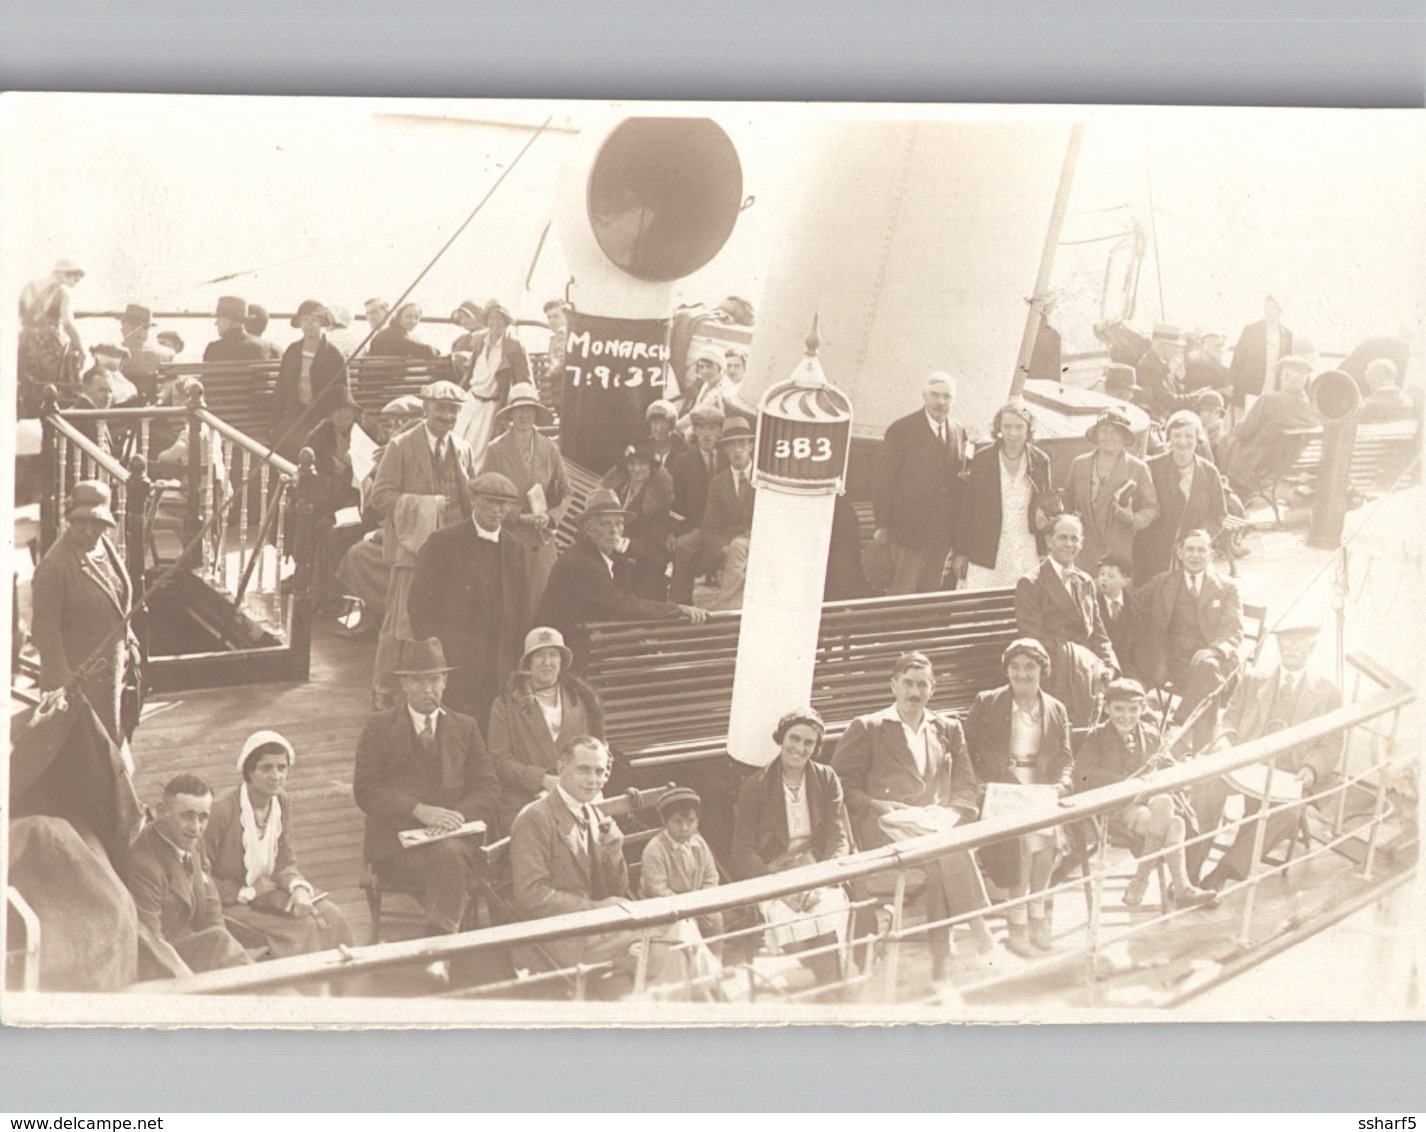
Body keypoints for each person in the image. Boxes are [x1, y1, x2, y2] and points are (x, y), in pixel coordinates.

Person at [831, 653, 996, 977]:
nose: (914, 692)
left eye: (922, 684)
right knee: (947, 849)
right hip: (884, 827)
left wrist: (951, 812)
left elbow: (967, 786)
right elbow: (837, 787)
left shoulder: (947, 728)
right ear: (893, 685)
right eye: (907, 683)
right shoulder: (869, 727)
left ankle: (941, 964)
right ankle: (977, 928)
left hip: (932, 826)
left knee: (938, 864)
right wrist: (878, 805)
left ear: (932, 689)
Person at [352, 637, 499, 938]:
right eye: (417, 681)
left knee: (449, 855)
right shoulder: (379, 727)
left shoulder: (466, 727)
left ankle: (439, 940)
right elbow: (366, 790)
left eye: (434, 679)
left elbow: (488, 787)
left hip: (452, 839)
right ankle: (445, 941)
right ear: (403, 684)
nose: (427, 689)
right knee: (450, 865)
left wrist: (453, 817)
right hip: (398, 845)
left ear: (446, 681)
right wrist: (419, 811)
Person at [509, 736, 680, 980]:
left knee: (673, 938)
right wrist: (597, 909)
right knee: (672, 934)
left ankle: (672, 996)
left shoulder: (592, 813)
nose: (593, 780)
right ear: (561, 768)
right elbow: (531, 896)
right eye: (583, 770)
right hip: (556, 939)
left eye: (600, 771)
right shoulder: (535, 817)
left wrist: (614, 853)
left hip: (596, 930)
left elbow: (615, 890)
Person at [1196, 624, 1344, 891]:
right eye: (1286, 642)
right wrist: (1224, 742)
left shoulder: (1328, 692)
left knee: (1288, 815)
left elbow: (1331, 743)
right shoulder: (1253, 678)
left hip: (1288, 774)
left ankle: (1221, 874)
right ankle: (1190, 871)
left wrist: (1311, 768)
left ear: (1312, 646)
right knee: (1206, 787)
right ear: (1278, 645)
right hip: (1243, 764)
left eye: (1299, 642)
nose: (1291, 648)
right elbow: (1227, 721)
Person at [367, 380, 477, 710]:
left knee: (443, 620)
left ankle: (433, 691)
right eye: (441, 409)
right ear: (426, 409)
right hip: (412, 551)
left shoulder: (463, 448)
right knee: (400, 623)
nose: (447, 416)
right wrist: (425, 505)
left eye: (453, 411)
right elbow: (380, 497)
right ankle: (385, 690)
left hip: (451, 552)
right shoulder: (401, 447)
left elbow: (468, 498)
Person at [963, 638, 1074, 957]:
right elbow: (966, 749)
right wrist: (981, 783)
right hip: (1000, 787)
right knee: (1025, 841)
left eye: (1029, 666)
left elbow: (1065, 755)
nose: (1022, 673)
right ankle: (1017, 920)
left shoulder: (1056, 708)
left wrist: (1063, 783)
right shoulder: (988, 701)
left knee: (1047, 843)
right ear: (1007, 669)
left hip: (1039, 786)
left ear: (1042, 669)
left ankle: (1036, 913)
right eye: (1015, 666)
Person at [204, 731, 353, 957]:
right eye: (266, 768)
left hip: (270, 896)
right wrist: (248, 891)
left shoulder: (281, 800)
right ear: (249, 772)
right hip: (230, 904)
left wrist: (299, 888)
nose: (276, 776)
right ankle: (303, 987)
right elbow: (199, 877)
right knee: (304, 927)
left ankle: (341, 985)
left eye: (281, 768)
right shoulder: (221, 810)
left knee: (332, 915)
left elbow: (285, 861)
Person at [734, 708, 856, 984]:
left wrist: (820, 881)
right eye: (794, 738)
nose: (800, 748)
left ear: (816, 747)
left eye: (808, 742)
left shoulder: (826, 779)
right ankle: (815, 991)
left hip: (819, 871)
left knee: (826, 912)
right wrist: (779, 888)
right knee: (790, 917)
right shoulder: (756, 785)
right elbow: (742, 849)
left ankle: (830, 992)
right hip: (775, 876)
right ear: (781, 738)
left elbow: (839, 838)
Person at [1073, 680, 1215, 908]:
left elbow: (1171, 770)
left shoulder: (1150, 736)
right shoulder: (1096, 738)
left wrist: (1172, 765)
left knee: (1172, 814)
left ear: (1142, 710)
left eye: (1133, 709)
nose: (1126, 716)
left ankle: (1148, 881)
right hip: (1115, 810)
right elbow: (1083, 775)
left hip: (1150, 811)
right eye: (1119, 709)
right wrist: (1131, 784)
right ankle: (1178, 886)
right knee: (1173, 820)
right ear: (1107, 708)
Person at [407, 472, 532, 728]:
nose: (496, 510)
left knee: (492, 727)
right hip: (455, 660)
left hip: (498, 662)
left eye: (503, 504)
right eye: (489, 502)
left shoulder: (515, 548)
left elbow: (522, 610)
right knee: (455, 728)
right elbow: (420, 604)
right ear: (473, 499)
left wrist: (517, 662)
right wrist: (436, 657)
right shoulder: (444, 542)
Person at [535, 488, 708, 671]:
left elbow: (629, 595)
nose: (614, 531)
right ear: (588, 528)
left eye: (619, 524)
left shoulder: (605, 556)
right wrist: (676, 608)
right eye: (605, 524)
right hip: (561, 653)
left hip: (587, 642)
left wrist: (624, 558)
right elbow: (623, 605)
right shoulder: (582, 563)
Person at [31, 481, 138, 746]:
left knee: (109, 742)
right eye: (80, 522)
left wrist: (130, 638)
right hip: (76, 685)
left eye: (97, 522)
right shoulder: (53, 567)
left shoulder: (105, 548)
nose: (89, 530)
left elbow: (117, 598)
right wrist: (62, 686)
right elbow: (45, 634)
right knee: (80, 754)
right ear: (69, 518)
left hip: (110, 677)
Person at [123, 774, 252, 975]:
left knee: (227, 942)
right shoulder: (143, 863)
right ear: (162, 812)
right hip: (162, 961)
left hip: (194, 946)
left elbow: (211, 907)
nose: (196, 827)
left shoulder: (190, 840)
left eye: (203, 817)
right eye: (188, 816)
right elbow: (150, 940)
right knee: (221, 942)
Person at [1130, 528, 1244, 752]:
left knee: (1208, 671)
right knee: (1207, 687)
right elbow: (1131, 601)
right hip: (1175, 664)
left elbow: (1234, 629)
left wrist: (1214, 650)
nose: (1195, 555)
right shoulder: (1163, 581)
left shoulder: (1227, 587)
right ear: (1179, 552)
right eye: (1190, 549)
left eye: (1201, 550)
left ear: (1210, 554)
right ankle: (1201, 752)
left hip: (1219, 662)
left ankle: (1178, 726)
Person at [488, 627, 606, 833]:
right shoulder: (506, 704)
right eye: (539, 655)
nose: (547, 662)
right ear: (528, 663)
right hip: (525, 801)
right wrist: (542, 779)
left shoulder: (580, 700)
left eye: (553, 655)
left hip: (577, 796)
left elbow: (602, 751)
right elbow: (499, 761)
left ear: (562, 662)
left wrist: (592, 781)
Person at [1014, 513, 1118, 726]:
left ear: (1081, 543)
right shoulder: (1031, 583)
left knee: (1122, 693)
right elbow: (1033, 639)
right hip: (1053, 669)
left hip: (1086, 668)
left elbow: (1099, 633)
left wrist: (1110, 665)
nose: (1069, 544)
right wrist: (1080, 658)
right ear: (1049, 541)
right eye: (1062, 538)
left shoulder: (1086, 581)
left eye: (1074, 538)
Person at [872, 372, 970, 594]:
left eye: (947, 396)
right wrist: (882, 526)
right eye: (935, 395)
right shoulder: (902, 430)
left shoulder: (958, 430)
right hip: (907, 533)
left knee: (929, 595)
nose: (940, 402)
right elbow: (883, 481)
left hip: (940, 535)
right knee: (901, 593)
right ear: (923, 396)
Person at [479, 382, 570, 608]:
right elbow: (485, 494)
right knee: (511, 602)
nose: (524, 415)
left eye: (529, 409)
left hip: (542, 540)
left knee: (542, 602)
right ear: (510, 413)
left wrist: (551, 517)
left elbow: (567, 492)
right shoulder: (496, 449)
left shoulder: (549, 448)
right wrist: (518, 517)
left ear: (537, 413)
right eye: (519, 410)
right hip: (510, 538)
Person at [953, 400, 1054, 590]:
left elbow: (1045, 509)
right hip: (985, 547)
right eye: (1007, 426)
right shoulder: (983, 459)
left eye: (1019, 426)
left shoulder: (1041, 461)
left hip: (1025, 548)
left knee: (1021, 602)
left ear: (1028, 429)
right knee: (979, 605)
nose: (1013, 433)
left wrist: (1044, 550)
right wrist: (960, 552)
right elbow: (967, 509)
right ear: (999, 427)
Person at [670, 417, 756, 609]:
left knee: (737, 548)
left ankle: (726, 607)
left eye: (742, 444)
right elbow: (710, 524)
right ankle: (679, 604)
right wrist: (720, 547)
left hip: (754, 537)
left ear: (750, 446)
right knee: (685, 545)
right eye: (731, 446)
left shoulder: (763, 479)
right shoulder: (718, 482)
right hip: (724, 538)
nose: (737, 450)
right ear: (724, 449)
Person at [1061, 407, 1159, 575]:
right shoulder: (1079, 464)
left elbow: (1152, 508)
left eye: (1115, 432)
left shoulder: (1138, 468)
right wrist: (1070, 521)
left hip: (1117, 551)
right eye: (1104, 431)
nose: (1109, 437)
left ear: (1124, 436)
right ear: (1096, 435)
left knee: (1114, 598)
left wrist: (1132, 519)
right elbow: (1067, 500)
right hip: (1082, 552)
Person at [1136, 409, 1227, 583]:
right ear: (1168, 438)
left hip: (1192, 556)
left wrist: (1196, 538)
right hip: (1154, 555)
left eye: (1189, 436)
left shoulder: (1208, 472)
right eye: (1176, 436)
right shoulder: (1151, 468)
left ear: (1198, 439)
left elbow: (1218, 515)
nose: (1182, 442)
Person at [1221, 355, 1320, 497]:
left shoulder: (1269, 400)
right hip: (1279, 465)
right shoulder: (1308, 407)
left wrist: (1235, 428)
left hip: (1257, 462)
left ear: (1284, 376)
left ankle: (1225, 490)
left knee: (1226, 440)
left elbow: (1244, 432)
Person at [304, 388, 366, 615]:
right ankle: (317, 589)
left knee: (332, 531)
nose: (342, 414)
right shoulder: (320, 435)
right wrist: (334, 473)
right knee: (318, 525)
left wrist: (351, 468)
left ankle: (332, 595)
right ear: (329, 414)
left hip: (360, 503)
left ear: (354, 410)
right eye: (336, 410)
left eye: (346, 408)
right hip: (329, 499)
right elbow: (312, 472)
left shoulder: (368, 432)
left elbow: (376, 470)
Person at [641, 786, 725, 951]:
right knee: (685, 927)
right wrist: (692, 912)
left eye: (690, 821)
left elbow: (711, 877)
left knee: (715, 918)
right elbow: (658, 890)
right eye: (677, 822)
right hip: (665, 909)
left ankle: (716, 963)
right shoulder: (655, 850)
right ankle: (692, 968)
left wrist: (704, 906)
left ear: (697, 821)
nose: (685, 828)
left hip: (696, 905)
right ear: (665, 822)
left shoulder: (699, 843)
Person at [272, 298, 350, 458]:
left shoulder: (334, 355)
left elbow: (343, 395)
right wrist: (273, 422)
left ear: (322, 323)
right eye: (305, 319)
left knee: (313, 443)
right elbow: (280, 388)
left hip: (323, 416)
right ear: (300, 322)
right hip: (296, 412)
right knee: (281, 440)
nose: (309, 324)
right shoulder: (292, 351)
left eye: (314, 320)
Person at [601, 441, 676, 600]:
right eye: (632, 464)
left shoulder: (659, 495)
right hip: (614, 548)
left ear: (651, 466)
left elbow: (656, 537)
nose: (636, 469)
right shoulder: (619, 489)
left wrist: (624, 544)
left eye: (641, 464)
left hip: (645, 554)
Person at [457, 299, 528, 459]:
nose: (495, 323)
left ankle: (471, 481)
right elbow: (469, 372)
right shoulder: (480, 340)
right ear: (486, 321)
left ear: (506, 322)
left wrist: (519, 409)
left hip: (492, 405)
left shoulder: (513, 345)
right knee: (456, 438)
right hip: (470, 398)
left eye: (500, 319)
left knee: (477, 450)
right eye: (491, 318)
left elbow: (524, 381)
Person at [18, 258, 85, 395]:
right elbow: (68, 323)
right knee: (49, 389)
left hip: (25, 345)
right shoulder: (63, 294)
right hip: (48, 350)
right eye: (75, 276)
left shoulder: (29, 286)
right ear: (66, 274)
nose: (77, 280)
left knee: (28, 388)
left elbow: (20, 314)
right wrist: (81, 349)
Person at [668, 403, 724, 538]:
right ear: (694, 431)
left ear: (719, 433)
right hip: (692, 528)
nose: (706, 434)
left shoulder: (727, 460)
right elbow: (675, 502)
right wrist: (675, 530)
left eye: (712, 428)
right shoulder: (682, 461)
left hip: (723, 529)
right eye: (701, 428)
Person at [1228, 294, 1294, 410]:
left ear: (1280, 310)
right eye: (1266, 307)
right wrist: (1231, 383)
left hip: (1274, 386)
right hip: (1251, 384)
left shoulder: (1287, 335)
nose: (1269, 311)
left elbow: (1288, 364)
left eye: (1272, 307)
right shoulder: (1251, 330)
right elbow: (1238, 359)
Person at [1134, 322, 1194, 421]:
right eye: (1174, 346)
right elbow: (1167, 400)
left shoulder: (1159, 363)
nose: (1176, 351)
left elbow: (1175, 391)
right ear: (1160, 346)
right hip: (1157, 419)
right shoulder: (1150, 366)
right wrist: (1194, 397)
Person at [117, 302, 174, 404]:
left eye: (123, 323)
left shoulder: (115, 354)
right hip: (156, 411)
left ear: (132, 328)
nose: (121, 328)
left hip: (121, 412)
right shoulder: (168, 354)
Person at [1095, 554, 1139, 681]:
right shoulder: (1093, 604)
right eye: (1102, 574)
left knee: (1136, 691)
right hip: (1101, 664)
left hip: (1129, 666)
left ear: (1125, 581)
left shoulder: (1134, 606)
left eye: (1111, 576)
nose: (1104, 579)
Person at [675, 345, 736, 432]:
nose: (705, 371)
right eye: (701, 367)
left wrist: (676, 426)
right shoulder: (707, 384)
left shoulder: (725, 390)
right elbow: (695, 410)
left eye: (709, 366)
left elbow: (697, 414)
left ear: (720, 367)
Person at [203, 295, 270, 362]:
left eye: (219, 318)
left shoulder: (214, 349)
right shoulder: (261, 347)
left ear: (229, 321)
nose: (216, 323)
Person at [370, 302, 440, 359]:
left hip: (381, 374)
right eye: (408, 317)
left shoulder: (389, 331)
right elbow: (428, 351)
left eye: (416, 317)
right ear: (398, 318)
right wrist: (436, 351)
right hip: (388, 375)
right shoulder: (394, 335)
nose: (413, 321)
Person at [645, 399, 688, 472]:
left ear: (672, 425)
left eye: (664, 423)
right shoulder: (642, 447)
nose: (659, 428)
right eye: (655, 422)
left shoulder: (684, 451)